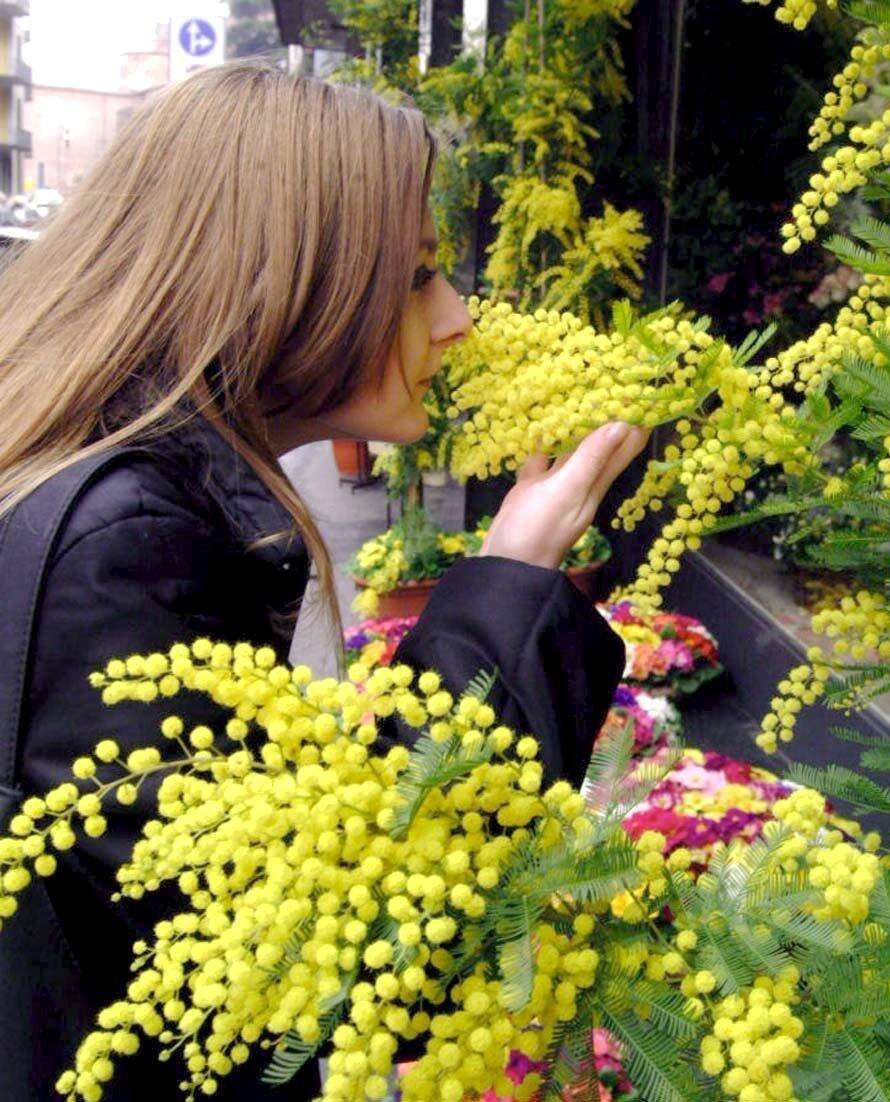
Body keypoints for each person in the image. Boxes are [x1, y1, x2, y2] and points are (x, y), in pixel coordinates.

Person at [0, 61, 649, 1100]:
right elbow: (326, 957)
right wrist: (512, 577)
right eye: (414, 279)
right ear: (282, 279)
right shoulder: (120, 547)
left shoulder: (104, 495)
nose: (459, 316)